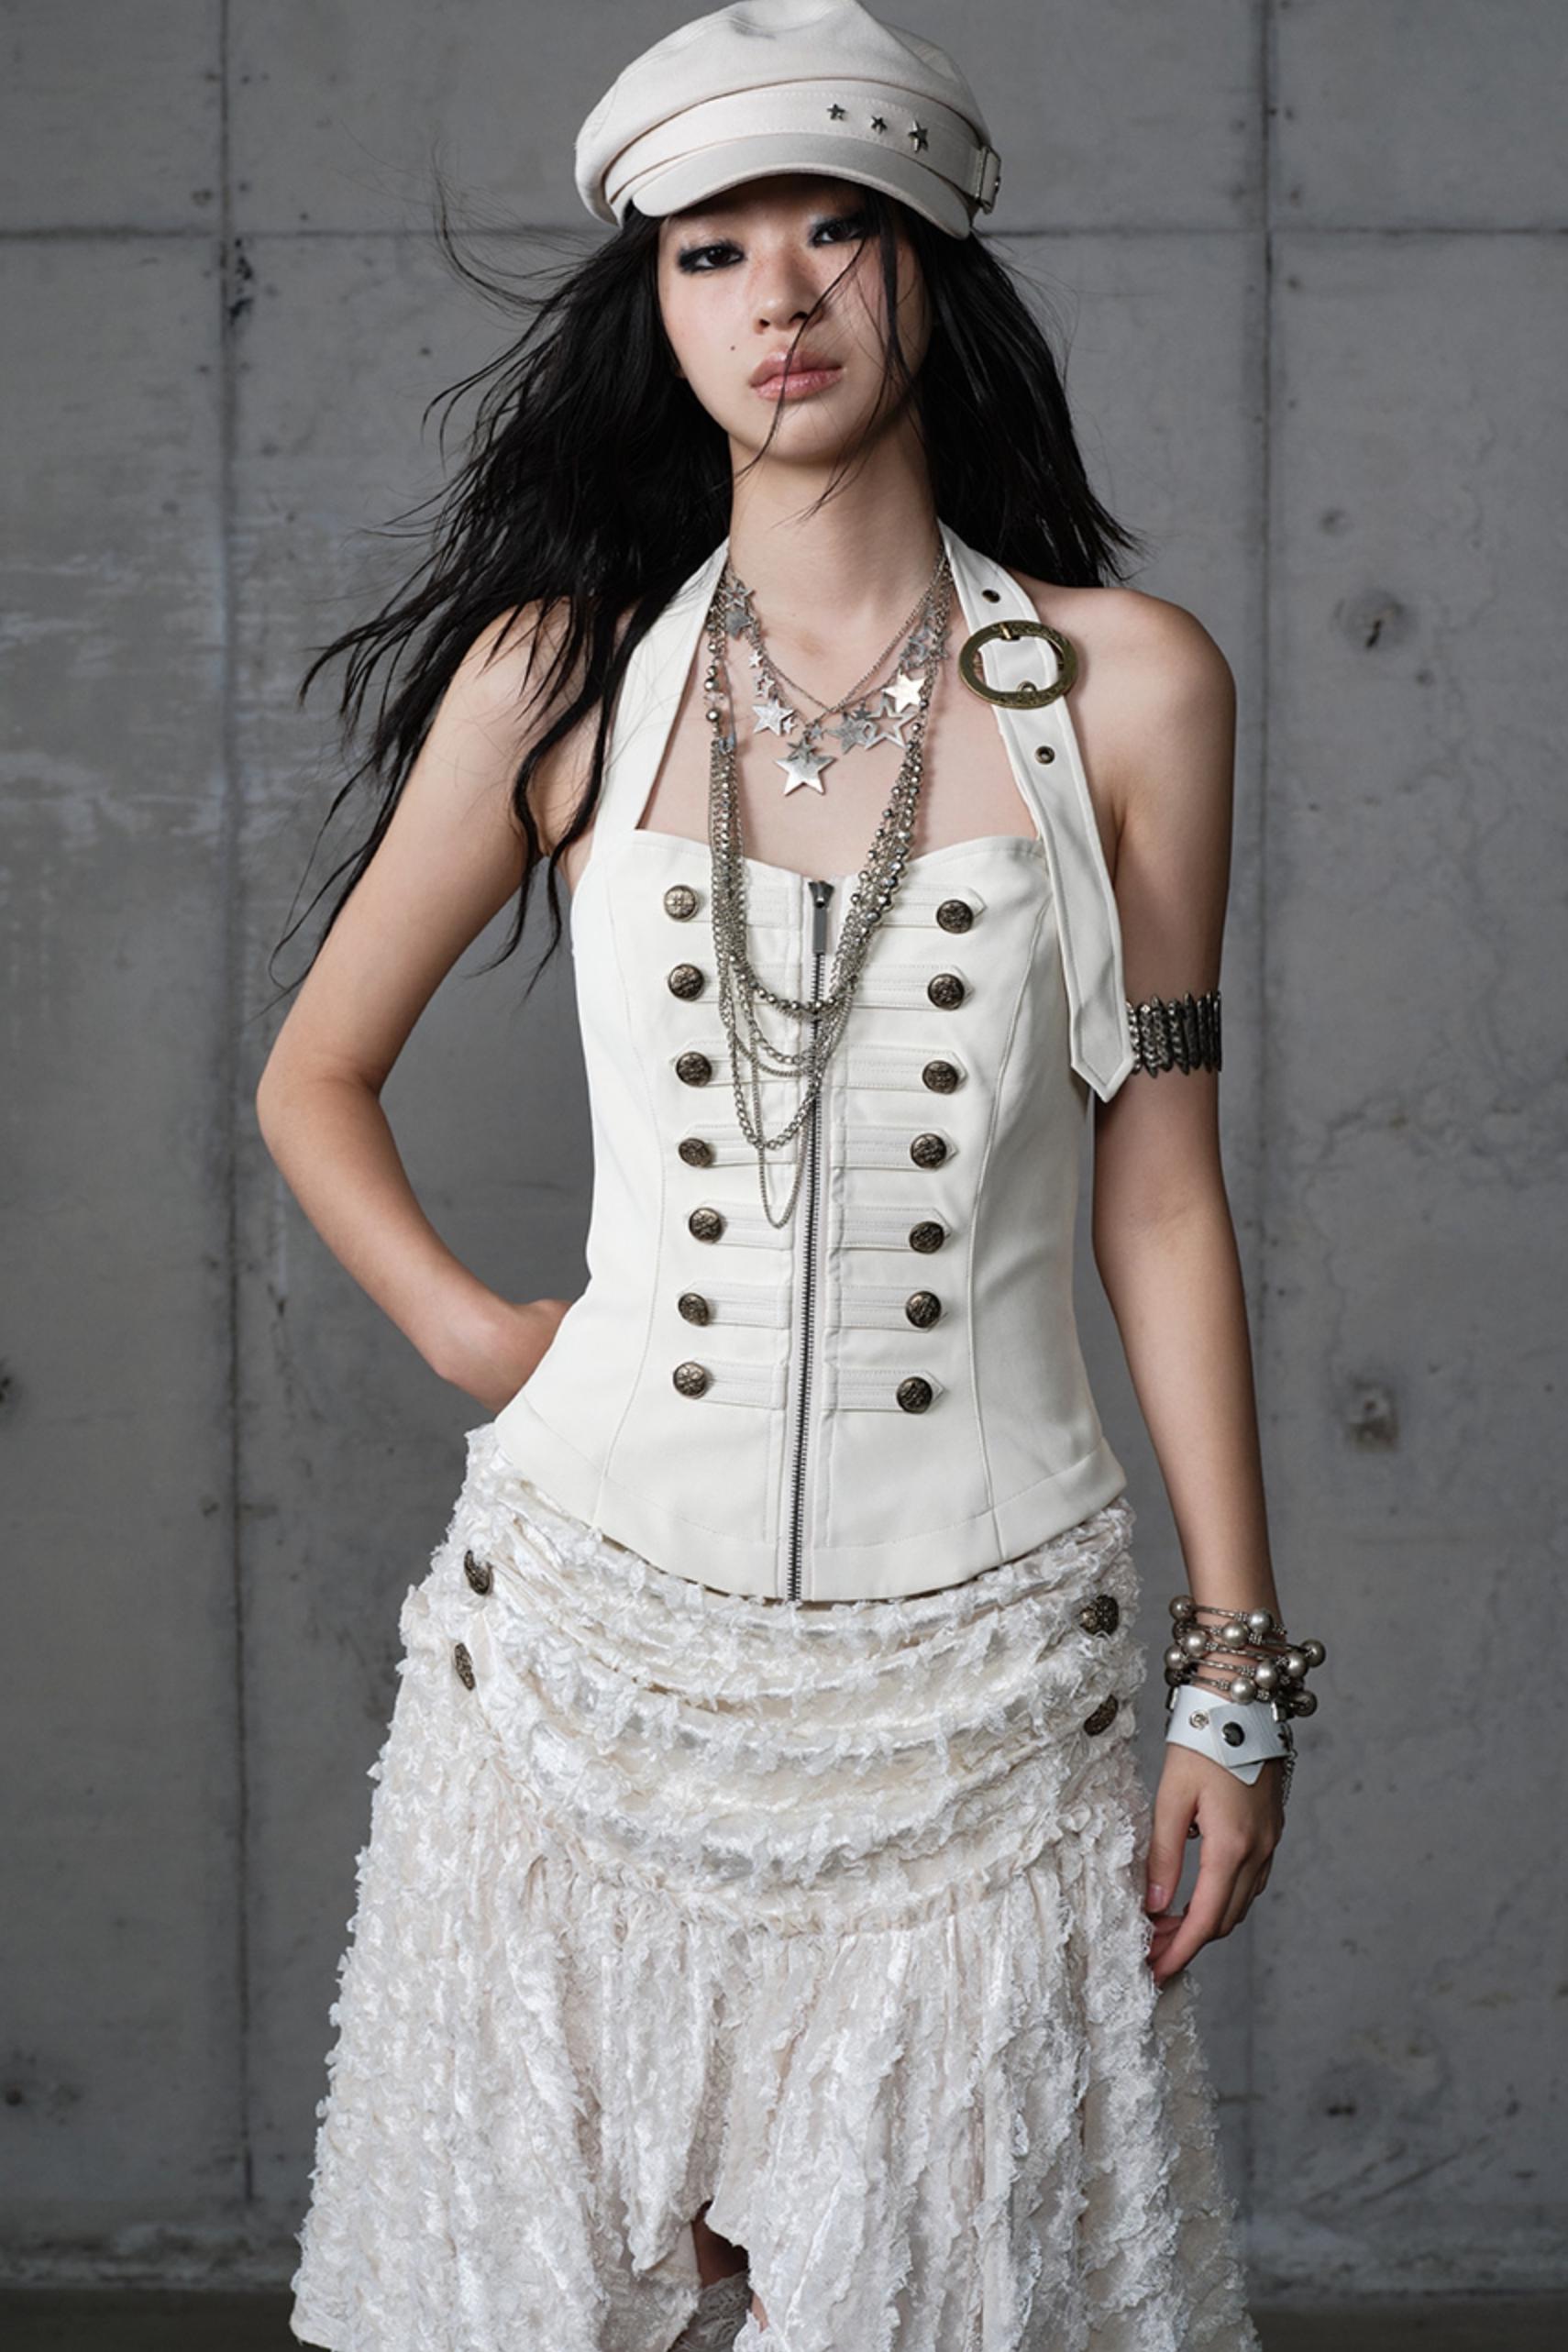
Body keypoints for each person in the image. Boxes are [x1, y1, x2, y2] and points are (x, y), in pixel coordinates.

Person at [265, 5, 1325, 2346]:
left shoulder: (1131, 688)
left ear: (932, 266)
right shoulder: (561, 680)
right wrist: (479, 1332)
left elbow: (1161, 1185)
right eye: (713, 253)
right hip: (583, 1651)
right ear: (653, 309)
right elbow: (314, 1075)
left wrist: (1233, 1672)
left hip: (985, 1671)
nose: (782, 298)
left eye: (839, 232)